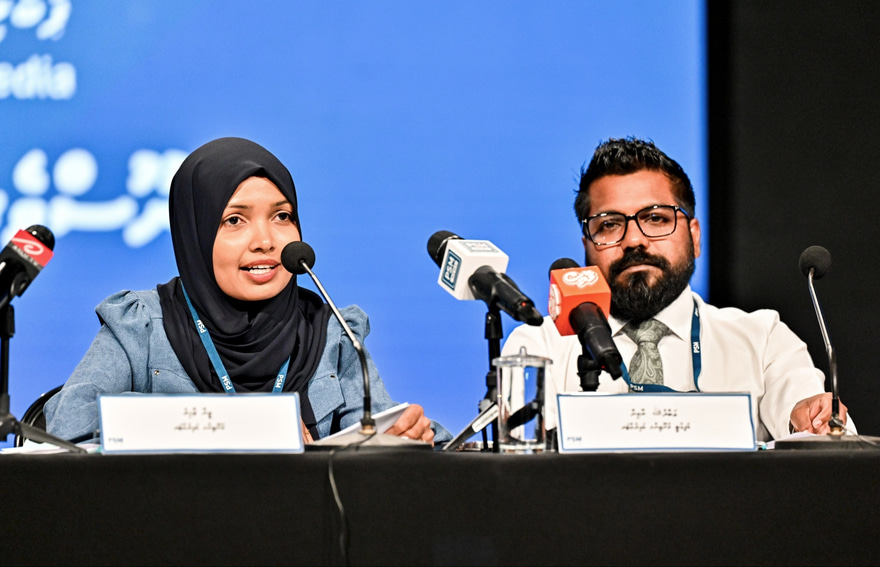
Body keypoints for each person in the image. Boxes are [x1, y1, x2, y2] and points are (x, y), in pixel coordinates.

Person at [45, 136, 450, 446]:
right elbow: (67, 427)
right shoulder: (142, 325)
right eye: (235, 220)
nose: (266, 241)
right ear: (195, 234)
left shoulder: (332, 331)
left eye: (282, 216)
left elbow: (373, 432)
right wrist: (243, 426)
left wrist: (401, 437)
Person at [501, 136, 854, 442]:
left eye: (656, 218)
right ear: (586, 246)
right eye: (609, 225)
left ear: (695, 237)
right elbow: (518, 462)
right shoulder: (540, 346)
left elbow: (814, 422)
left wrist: (813, 418)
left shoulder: (762, 340)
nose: (634, 240)